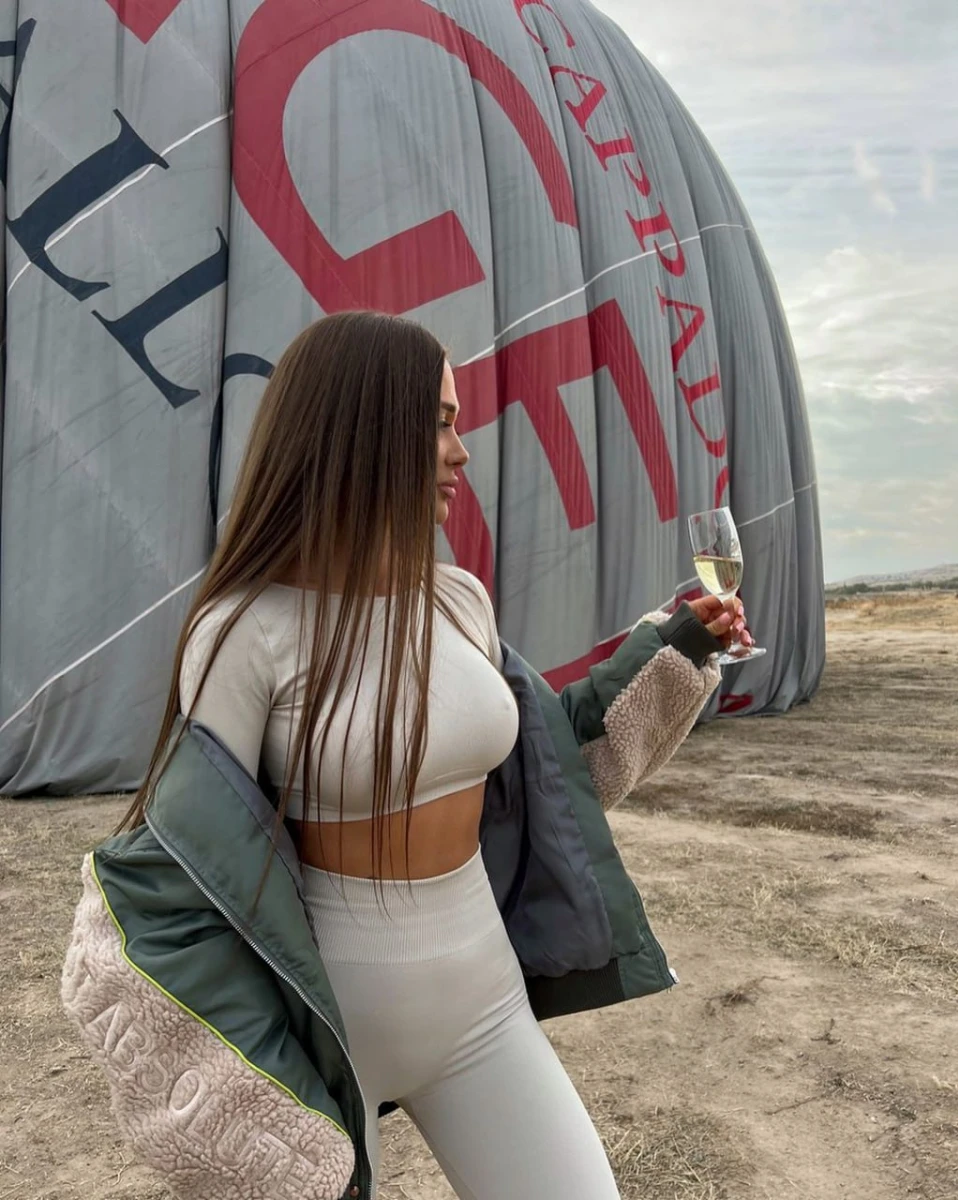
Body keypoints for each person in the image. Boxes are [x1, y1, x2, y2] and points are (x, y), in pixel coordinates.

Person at [62, 311, 751, 1200]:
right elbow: (189, 868)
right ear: (360, 429)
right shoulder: (242, 631)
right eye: (438, 422)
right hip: (332, 1036)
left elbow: (546, 767)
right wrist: (236, 1083)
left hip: (484, 1007)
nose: (460, 452)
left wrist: (681, 642)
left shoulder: (458, 601)